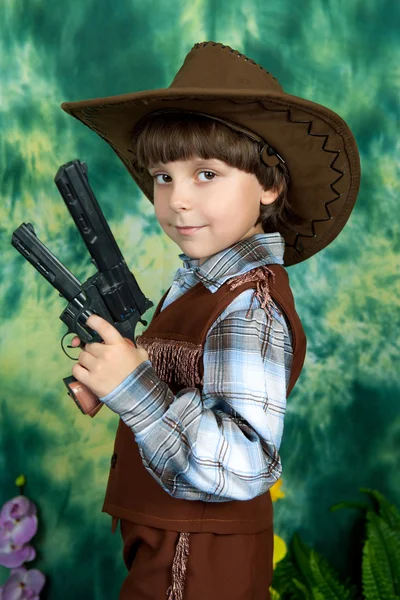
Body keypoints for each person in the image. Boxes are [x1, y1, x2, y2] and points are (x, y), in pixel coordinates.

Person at [62, 41, 361, 600]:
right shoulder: (201, 285)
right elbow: (188, 374)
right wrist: (115, 374)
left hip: (197, 562)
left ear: (269, 186)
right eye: (163, 176)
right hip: (166, 541)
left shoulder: (250, 303)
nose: (176, 200)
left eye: (206, 173)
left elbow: (244, 463)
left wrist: (135, 388)